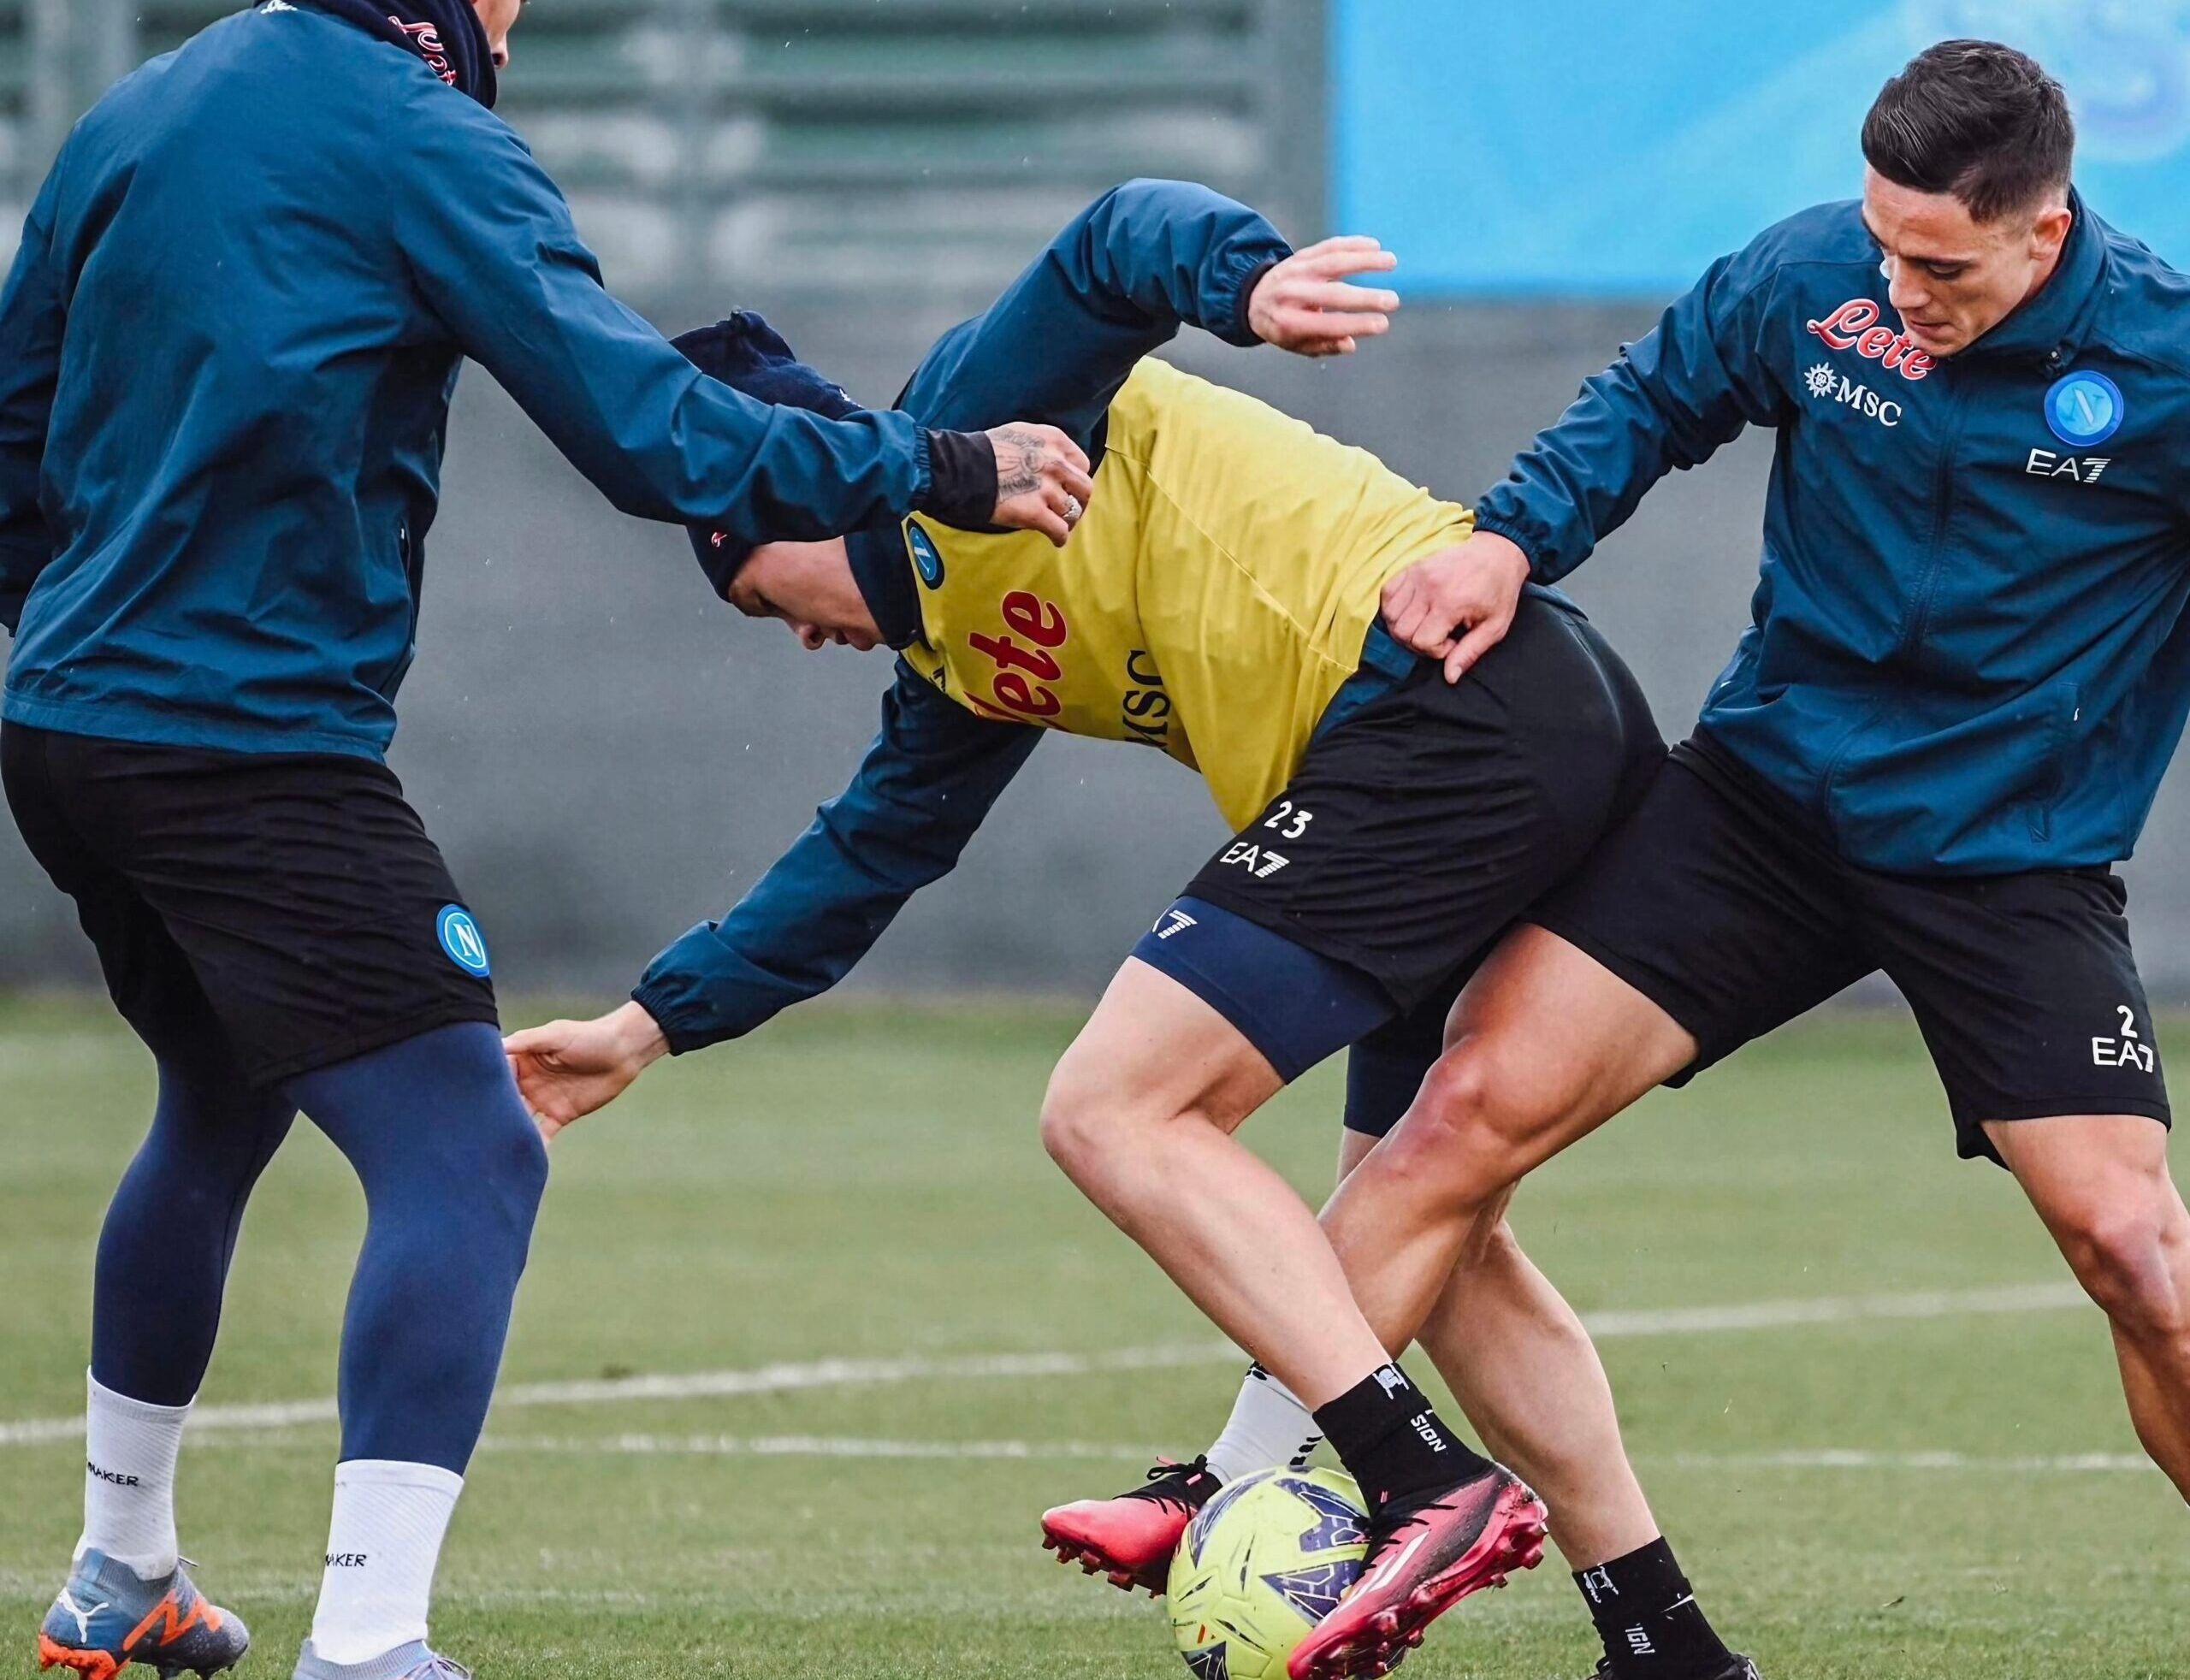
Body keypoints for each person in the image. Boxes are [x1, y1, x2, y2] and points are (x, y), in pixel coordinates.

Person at [504, 179, 1754, 1680]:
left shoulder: (964, 422)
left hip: (1450, 703)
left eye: (765, 602)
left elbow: (1117, 243)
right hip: (1506, 724)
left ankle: (1413, 1480)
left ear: (782, 501)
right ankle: (1664, 1642)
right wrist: (644, 1029)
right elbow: (860, 862)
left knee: (1116, 1105)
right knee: (1434, 1224)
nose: (803, 637)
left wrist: (1252, 290)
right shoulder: (953, 662)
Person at [2, 3, 1089, 1678]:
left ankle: (118, 1563)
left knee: (219, 1091)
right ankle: (368, 1642)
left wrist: (74, 651)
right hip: (244, 743)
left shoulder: (142, 107)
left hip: (71, 722)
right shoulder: (419, 137)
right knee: (471, 1147)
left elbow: (14, 432)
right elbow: (650, 430)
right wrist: (933, 464)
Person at [1219, 33, 2190, 1665]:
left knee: (2137, 1254)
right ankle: (1229, 1495)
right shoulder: (1817, 279)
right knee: (1459, 1113)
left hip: (2006, 858)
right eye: (1884, 243)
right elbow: (1651, 400)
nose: (1901, 285)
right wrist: (1509, 544)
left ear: (2045, 226)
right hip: (1767, 807)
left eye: (1939, 263)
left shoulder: (2166, 362)